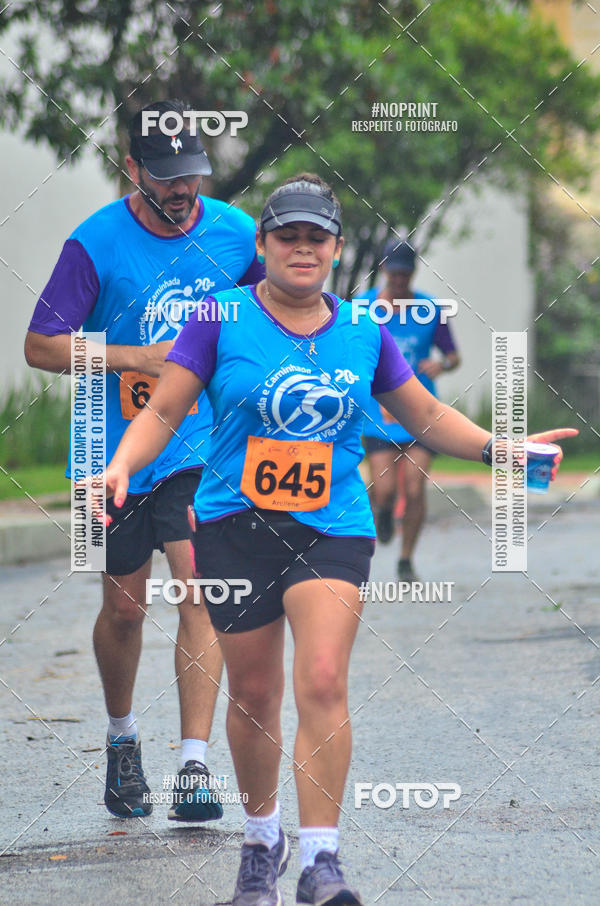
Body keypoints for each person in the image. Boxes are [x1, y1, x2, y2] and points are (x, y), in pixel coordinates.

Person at [100, 172, 576, 906]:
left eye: (314, 236)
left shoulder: (363, 329)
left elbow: (422, 414)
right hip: (232, 527)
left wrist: (501, 447)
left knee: (322, 679)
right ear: (263, 245)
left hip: (333, 528)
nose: (300, 247)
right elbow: (164, 410)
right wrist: (122, 466)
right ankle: (263, 842)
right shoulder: (219, 316)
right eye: (285, 235)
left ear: (335, 248)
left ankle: (323, 861)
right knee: (255, 696)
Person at [24, 99, 264, 822]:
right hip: (108, 449)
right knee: (124, 608)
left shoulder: (237, 233)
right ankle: (122, 740)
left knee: (199, 589)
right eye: (165, 178)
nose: (181, 190)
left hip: (201, 444)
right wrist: (135, 356)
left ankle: (194, 767)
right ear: (132, 170)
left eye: (191, 174)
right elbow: (40, 346)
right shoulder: (94, 244)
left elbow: (266, 310)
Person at [359, 240, 460, 581]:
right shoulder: (362, 307)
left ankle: (405, 559)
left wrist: (441, 364)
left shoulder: (430, 308)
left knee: (415, 487)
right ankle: (383, 511)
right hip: (379, 411)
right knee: (384, 488)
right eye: (394, 272)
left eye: (406, 273)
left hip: (420, 410)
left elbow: (453, 355)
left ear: (413, 272)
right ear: (384, 269)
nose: (399, 280)